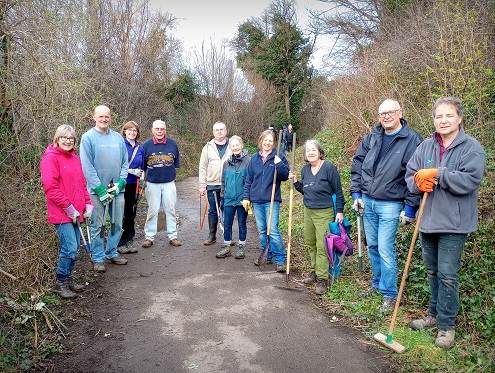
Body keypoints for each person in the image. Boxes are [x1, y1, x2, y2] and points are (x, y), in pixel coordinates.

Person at [405, 97, 485, 350]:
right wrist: (418, 182)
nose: (443, 120)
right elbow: (410, 175)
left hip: (454, 223)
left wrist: (439, 174)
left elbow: (470, 180)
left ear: (459, 119)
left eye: (449, 115)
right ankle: (434, 315)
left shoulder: (472, 148)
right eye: (439, 116)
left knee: (448, 275)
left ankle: (447, 327)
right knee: (432, 272)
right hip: (427, 221)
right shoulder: (425, 147)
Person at [350, 99, 423, 314]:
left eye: (391, 112)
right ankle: (377, 282)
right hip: (368, 201)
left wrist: (410, 207)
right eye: (382, 113)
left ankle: (389, 294)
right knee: (372, 245)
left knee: (384, 248)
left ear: (400, 112)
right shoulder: (372, 137)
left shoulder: (412, 140)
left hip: (391, 204)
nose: (386, 117)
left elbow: (415, 177)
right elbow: (357, 165)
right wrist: (356, 194)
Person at [41, 125, 93, 298]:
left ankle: (68, 278)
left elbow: (82, 184)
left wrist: (88, 204)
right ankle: (61, 282)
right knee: (69, 248)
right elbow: (50, 188)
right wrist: (68, 207)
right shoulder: (50, 158)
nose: (68, 140)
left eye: (71, 138)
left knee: (75, 249)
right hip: (62, 213)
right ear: (57, 138)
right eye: (64, 137)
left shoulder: (75, 159)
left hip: (77, 212)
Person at [289, 140, 345, 295]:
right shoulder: (305, 169)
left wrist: (339, 211)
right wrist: (295, 183)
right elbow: (306, 190)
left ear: (320, 152)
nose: (311, 153)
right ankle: (315, 270)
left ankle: (322, 279)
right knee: (311, 242)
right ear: (305, 155)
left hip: (324, 212)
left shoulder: (329, 168)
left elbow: (339, 192)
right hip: (309, 211)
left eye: (314, 150)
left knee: (322, 245)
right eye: (308, 151)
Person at [80, 105, 129, 273]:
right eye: (100, 116)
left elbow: (125, 163)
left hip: (117, 190)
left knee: (116, 224)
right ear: (94, 117)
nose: (104, 119)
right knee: (98, 226)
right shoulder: (87, 138)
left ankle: (112, 252)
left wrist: (121, 183)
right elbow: (87, 166)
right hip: (96, 192)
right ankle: (99, 258)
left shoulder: (117, 138)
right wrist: (100, 190)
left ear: (110, 117)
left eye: (106, 116)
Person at [242, 130, 290, 273]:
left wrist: (279, 164)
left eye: (271, 140)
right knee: (262, 230)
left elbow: (285, 176)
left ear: (274, 142)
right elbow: (249, 180)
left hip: (271, 199)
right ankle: (266, 254)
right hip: (256, 200)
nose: (268, 143)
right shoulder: (254, 159)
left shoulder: (279, 156)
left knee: (273, 230)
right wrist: (246, 197)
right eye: (265, 140)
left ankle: (280, 259)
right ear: (260, 141)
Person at [141, 120, 181, 248]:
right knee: (153, 210)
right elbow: (142, 166)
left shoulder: (173, 144)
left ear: (165, 130)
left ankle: (173, 236)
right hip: (152, 183)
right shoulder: (146, 145)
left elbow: (176, 163)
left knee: (171, 210)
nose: (159, 131)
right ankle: (149, 237)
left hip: (169, 182)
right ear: (152, 130)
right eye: (157, 129)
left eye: (162, 129)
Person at [216, 136, 251, 259]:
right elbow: (223, 181)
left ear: (241, 146)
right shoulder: (226, 163)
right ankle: (227, 246)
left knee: (242, 223)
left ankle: (241, 247)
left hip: (243, 199)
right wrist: (222, 195)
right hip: (229, 199)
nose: (235, 147)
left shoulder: (248, 161)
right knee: (227, 223)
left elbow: (250, 180)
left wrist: (249, 197)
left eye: (237, 145)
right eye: (233, 145)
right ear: (230, 148)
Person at [198, 122, 232, 246]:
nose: (219, 132)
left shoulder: (232, 145)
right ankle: (212, 235)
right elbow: (202, 167)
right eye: (216, 130)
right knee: (213, 210)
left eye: (221, 130)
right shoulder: (207, 147)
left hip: (229, 184)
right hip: (212, 184)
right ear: (213, 132)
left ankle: (228, 236)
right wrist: (202, 185)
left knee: (228, 210)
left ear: (226, 131)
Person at [117, 121, 145, 254]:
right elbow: (116, 165)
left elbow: (143, 166)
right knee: (119, 214)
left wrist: (143, 178)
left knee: (130, 213)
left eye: (134, 130)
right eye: (129, 130)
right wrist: (130, 171)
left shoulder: (140, 148)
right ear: (124, 131)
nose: (132, 132)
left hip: (134, 185)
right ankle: (119, 242)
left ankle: (129, 239)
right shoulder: (120, 144)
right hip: (121, 184)